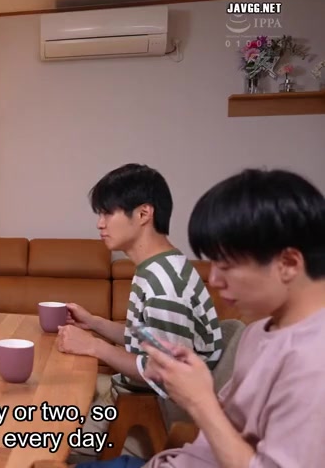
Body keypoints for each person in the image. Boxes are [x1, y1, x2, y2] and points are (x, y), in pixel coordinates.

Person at [77, 168, 325, 467]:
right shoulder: (259, 332)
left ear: (288, 263)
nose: (215, 280)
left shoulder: (313, 363)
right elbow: (221, 433)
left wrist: (199, 401)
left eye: (226, 264)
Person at [58, 163, 223, 460]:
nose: (100, 224)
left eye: (108, 213)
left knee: (36, 438)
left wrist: (95, 347)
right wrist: (95, 323)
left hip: (144, 411)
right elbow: (149, 340)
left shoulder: (164, 285)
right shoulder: (159, 267)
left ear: (144, 214)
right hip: (126, 397)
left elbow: (166, 373)